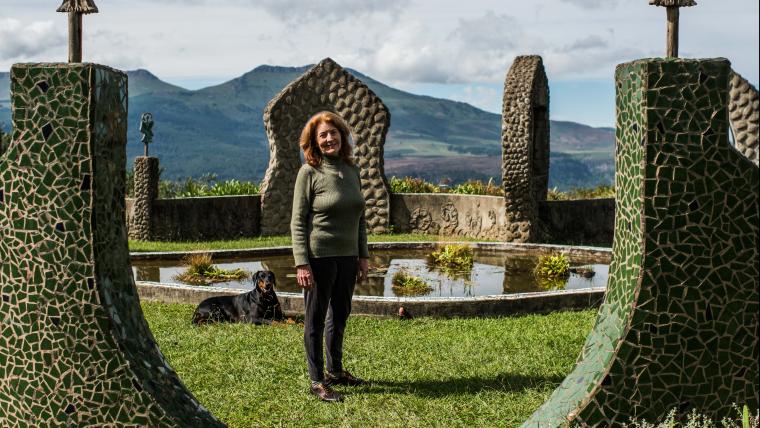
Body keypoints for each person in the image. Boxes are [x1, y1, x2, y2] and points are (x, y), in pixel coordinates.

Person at [291, 111, 369, 402]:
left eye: (333, 133)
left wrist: (363, 256)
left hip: (348, 257)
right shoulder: (308, 173)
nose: (329, 139)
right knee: (315, 319)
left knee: (340, 315)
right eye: (322, 135)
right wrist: (302, 262)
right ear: (314, 141)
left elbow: (360, 219)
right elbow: (298, 220)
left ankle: (336, 371)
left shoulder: (352, 170)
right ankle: (317, 380)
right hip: (319, 257)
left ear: (342, 135)